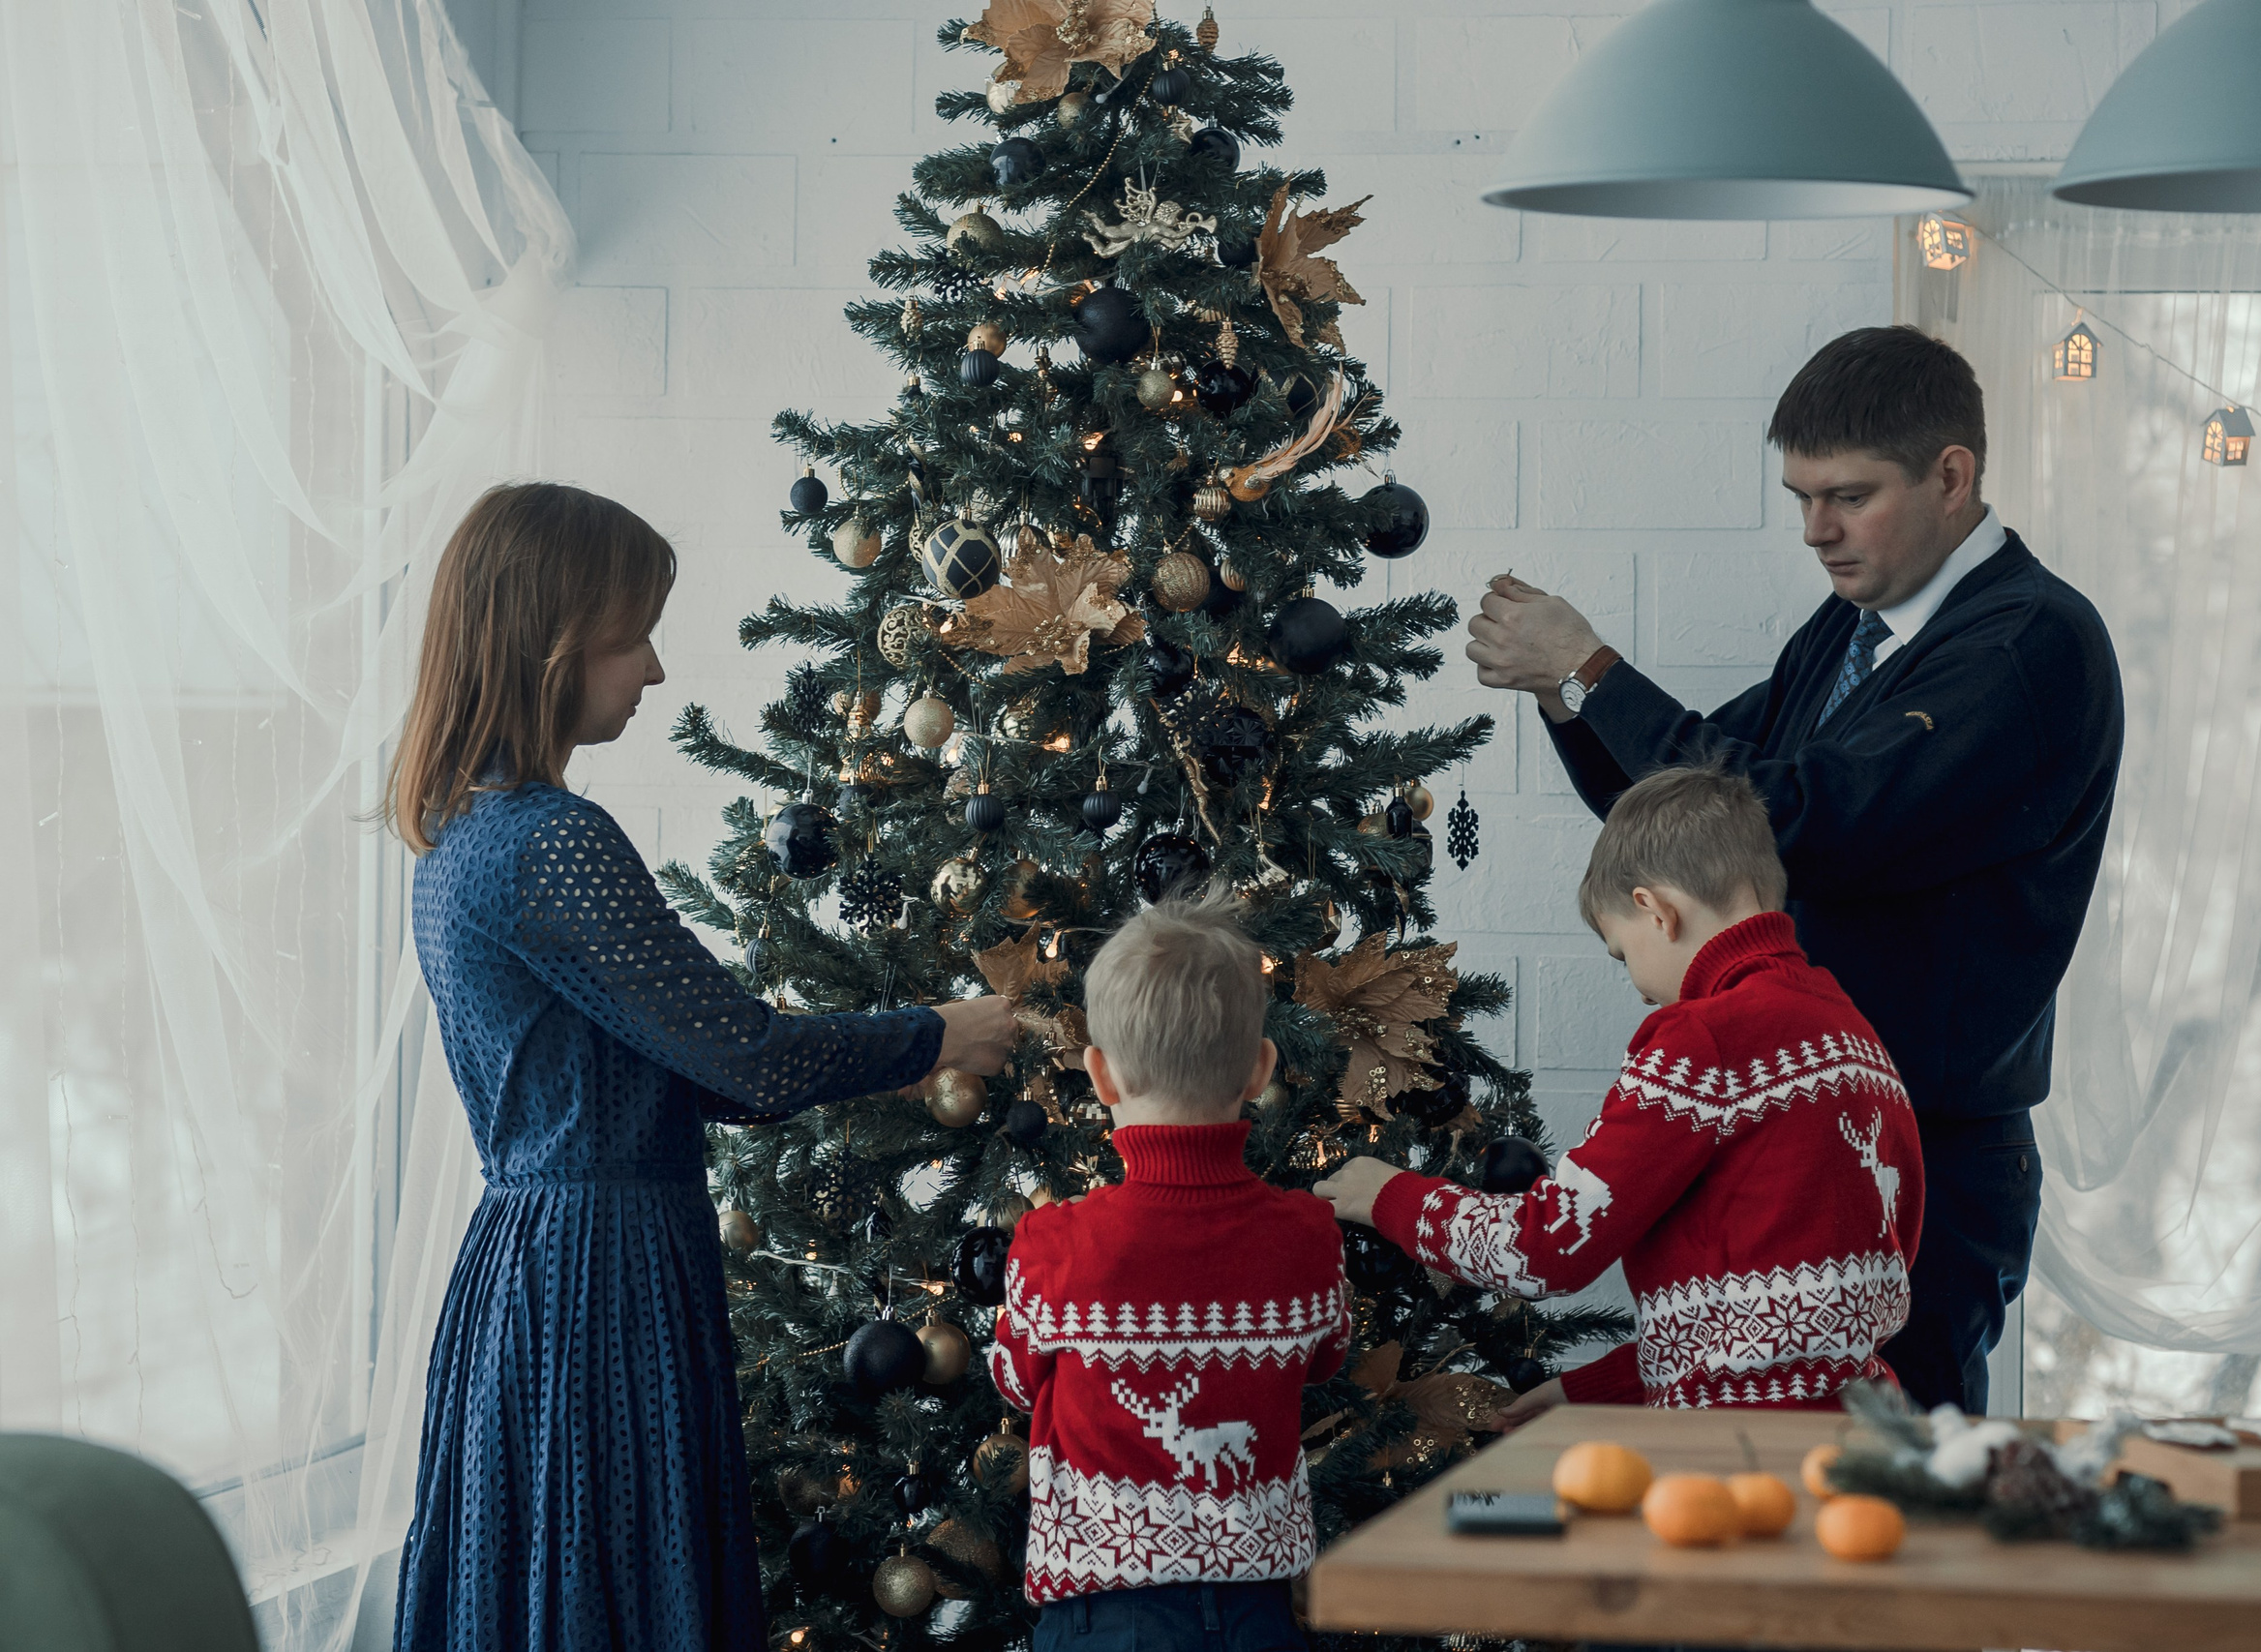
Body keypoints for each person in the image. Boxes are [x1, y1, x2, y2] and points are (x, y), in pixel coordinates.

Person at [385, 482, 1017, 1651]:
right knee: (619, 1584)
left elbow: (707, 1074)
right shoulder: (550, 841)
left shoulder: (461, 832)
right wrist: (938, 1033)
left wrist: (884, 1053)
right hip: (600, 1279)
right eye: (630, 639)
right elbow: (747, 1057)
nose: (655, 670)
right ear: (551, 645)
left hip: (537, 1264)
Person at [1463, 326, 2124, 1412]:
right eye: (1802, 498)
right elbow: (1700, 817)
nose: (1817, 531)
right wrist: (1566, 696)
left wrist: (1594, 672)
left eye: (1849, 497)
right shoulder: (1852, 626)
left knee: (1892, 1478)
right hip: (1804, 1131)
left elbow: (1809, 824)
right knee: (1763, 1467)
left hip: (1921, 1151)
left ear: (1951, 475)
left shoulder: (2026, 647)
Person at [1315, 766, 1922, 1418]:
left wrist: (1390, 1195)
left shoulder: (1702, 1041)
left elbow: (1546, 1248)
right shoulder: (1854, 1038)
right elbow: (1796, 1316)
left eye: (1621, 953)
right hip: (1863, 1430)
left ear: (1656, 911)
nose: (1638, 988)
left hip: (1732, 1446)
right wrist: (1591, 1388)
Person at [987, 891, 1347, 1652]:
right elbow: (1327, 1356)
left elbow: (1015, 1381)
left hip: (1102, 1619)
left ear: (1100, 1076)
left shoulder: (1053, 1243)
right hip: (1258, 1614)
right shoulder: (1308, 1235)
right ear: (1259, 1068)